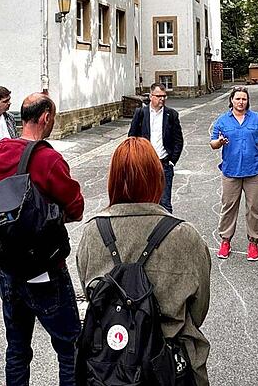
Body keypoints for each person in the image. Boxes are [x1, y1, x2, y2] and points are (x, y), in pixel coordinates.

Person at [77, 138, 211, 385]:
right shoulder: (185, 235)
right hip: (169, 365)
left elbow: (90, 292)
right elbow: (198, 308)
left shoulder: (93, 232)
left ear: (113, 180)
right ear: (157, 178)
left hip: (108, 365)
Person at [0, 93, 84, 386]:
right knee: (69, 346)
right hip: (44, 267)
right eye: (52, 117)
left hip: (8, 266)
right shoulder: (48, 159)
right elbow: (76, 207)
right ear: (44, 118)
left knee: (17, 348)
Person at [209, 86, 258, 262]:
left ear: (247, 101)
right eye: (237, 99)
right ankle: (225, 240)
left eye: (244, 99)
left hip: (255, 171)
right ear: (231, 101)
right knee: (228, 207)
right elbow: (212, 143)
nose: (241, 102)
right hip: (231, 171)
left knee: (254, 209)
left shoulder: (257, 118)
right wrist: (219, 142)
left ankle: (253, 242)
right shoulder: (222, 121)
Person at [127, 83, 184, 211]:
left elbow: (178, 140)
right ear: (151, 96)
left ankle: (166, 230)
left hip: (164, 163)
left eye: (164, 96)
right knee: (144, 201)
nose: (162, 99)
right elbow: (132, 138)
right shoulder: (141, 113)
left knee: (164, 203)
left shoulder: (171, 115)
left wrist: (172, 161)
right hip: (144, 163)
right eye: (159, 96)